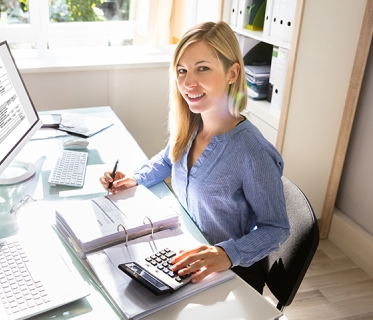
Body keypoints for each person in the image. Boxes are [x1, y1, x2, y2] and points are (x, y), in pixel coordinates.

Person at [99, 21, 290, 294]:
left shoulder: (253, 152)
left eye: (202, 68)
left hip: (232, 275)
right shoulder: (192, 126)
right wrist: (134, 179)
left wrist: (225, 254)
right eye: (182, 70)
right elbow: (169, 159)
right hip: (187, 254)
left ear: (232, 73)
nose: (188, 82)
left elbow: (277, 228)